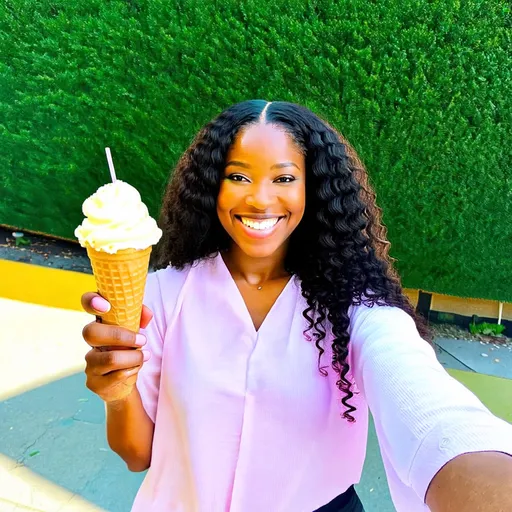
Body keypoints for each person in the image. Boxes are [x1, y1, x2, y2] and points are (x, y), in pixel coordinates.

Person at [81, 100, 512, 511]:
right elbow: (137, 454)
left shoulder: (356, 310)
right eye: (238, 176)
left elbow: (430, 407)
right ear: (213, 184)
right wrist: (118, 391)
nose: (260, 199)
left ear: (313, 188)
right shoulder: (161, 297)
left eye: (284, 179)